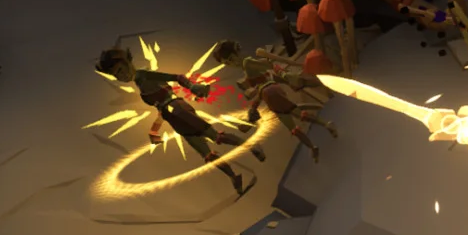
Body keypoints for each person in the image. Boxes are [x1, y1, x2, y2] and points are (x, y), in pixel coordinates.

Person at [95, 44, 263, 195]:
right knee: (207, 154)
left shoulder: (144, 74)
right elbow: (160, 109)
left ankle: (251, 146)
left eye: (121, 69)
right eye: (117, 75)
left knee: (215, 136)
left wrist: (193, 87)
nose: (122, 75)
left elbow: (177, 77)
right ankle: (234, 177)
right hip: (173, 117)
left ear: (127, 62)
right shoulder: (139, 82)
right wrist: (154, 129)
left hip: (179, 109)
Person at [209, 40, 338, 162]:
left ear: (235, 54)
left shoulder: (247, 63)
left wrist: (283, 74)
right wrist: (254, 105)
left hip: (271, 92)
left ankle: (325, 125)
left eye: (230, 60)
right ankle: (314, 145)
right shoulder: (246, 67)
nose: (232, 64)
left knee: (298, 114)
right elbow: (262, 81)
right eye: (228, 63)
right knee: (293, 127)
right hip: (268, 95)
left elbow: (268, 66)